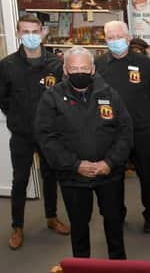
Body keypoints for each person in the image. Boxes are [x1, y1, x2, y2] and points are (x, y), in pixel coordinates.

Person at [35, 46, 133, 259]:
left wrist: (110, 162)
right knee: (79, 227)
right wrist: (75, 164)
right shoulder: (51, 98)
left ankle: (119, 268)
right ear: (66, 70)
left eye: (84, 68)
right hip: (73, 177)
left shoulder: (109, 93)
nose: (79, 72)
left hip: (109, 174)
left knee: (114, 224)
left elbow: (125, 132)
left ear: (93, 69)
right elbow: (46, 138)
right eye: (74, 68)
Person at [0, 14, 69, 249]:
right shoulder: (7, 65)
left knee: (50, 176)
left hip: (49, 134)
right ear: (19, 34)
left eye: (34, 31)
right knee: (20, 180)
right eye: (25, 31)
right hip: (22, 133)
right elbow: (3, 99)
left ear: (42, 32)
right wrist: (18, 118)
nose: (30, 36)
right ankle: (17, 227)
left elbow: (62, 98)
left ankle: (51, 217)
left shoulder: (55, 64)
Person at [95, 21, 150, 233]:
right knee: (114, 177)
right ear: (105, 40)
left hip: (141, 130)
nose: (115, 41)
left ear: (128, 37)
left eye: (119, 37)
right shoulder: (98, 65)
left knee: (146, 175)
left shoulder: (145, 64)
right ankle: (118, 213)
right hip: (111, 133)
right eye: (111, 37)